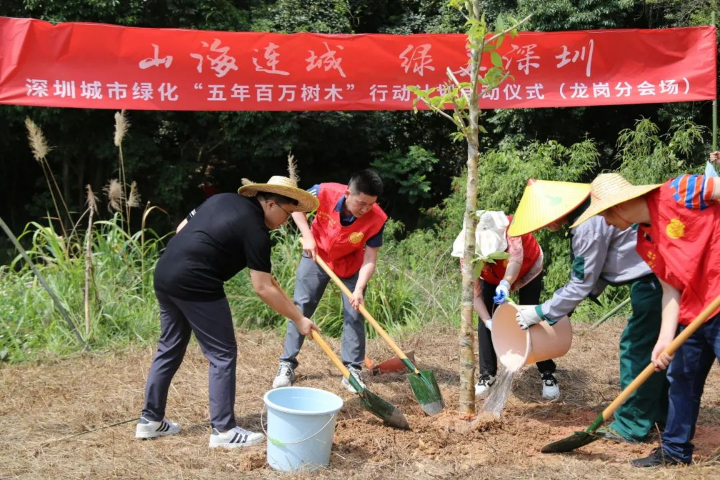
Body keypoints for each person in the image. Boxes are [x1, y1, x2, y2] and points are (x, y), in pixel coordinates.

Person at [136, 171, 320, 448]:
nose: (285, 223)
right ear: (270, 203)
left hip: (165, 272)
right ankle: (224, 431)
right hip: (197, 281)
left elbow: (181, 229)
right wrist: (299, 318)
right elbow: (262, 288)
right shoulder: (257, 230)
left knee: (170, 346)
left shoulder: (220, 199)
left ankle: (150, 421)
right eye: (286, 213)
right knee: (222, 354)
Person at [570, 166, 719, 467]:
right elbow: (670, 291)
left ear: (620, 206)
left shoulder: (681, 190)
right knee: (681, 379)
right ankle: (675, 451)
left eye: (604, 214)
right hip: (693, 312)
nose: (604, 221)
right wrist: (664, 340)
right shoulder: (645, 242)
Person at [509, 179, 667, 444]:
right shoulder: (589, 215)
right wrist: (560, 308)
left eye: (545, 220)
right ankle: (658, 415)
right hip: (658, 276)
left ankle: (631, 425)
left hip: (654, 282)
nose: (546, 226)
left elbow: (583, 281)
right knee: (658, 351)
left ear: (558, 212)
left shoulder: (587, 224)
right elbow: (597, 272)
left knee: (636, 349)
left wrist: (540, 312)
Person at [272, 170, 387, 393]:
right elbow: (295, 207)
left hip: (350, 264)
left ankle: (352, 371)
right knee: (301, 307)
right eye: (361, 203)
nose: (365, 210)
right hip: (316, 255)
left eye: (370, 205)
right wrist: (307, 236)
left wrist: (360, 288)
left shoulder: (377, 218)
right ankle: (287, 364)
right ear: (347, 193)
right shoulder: (324, 191)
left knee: (355, 312)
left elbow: (370, 257)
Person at [451, 210, 559, 400]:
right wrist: (488, 321)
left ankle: (547, 373)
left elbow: (515, 261)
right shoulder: (467, 252)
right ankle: (487, 375)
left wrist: (506, 283)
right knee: (485, 317)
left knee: (531, 314)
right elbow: (472, 294)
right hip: (492, 277)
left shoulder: (512, 229)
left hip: (528, 269)